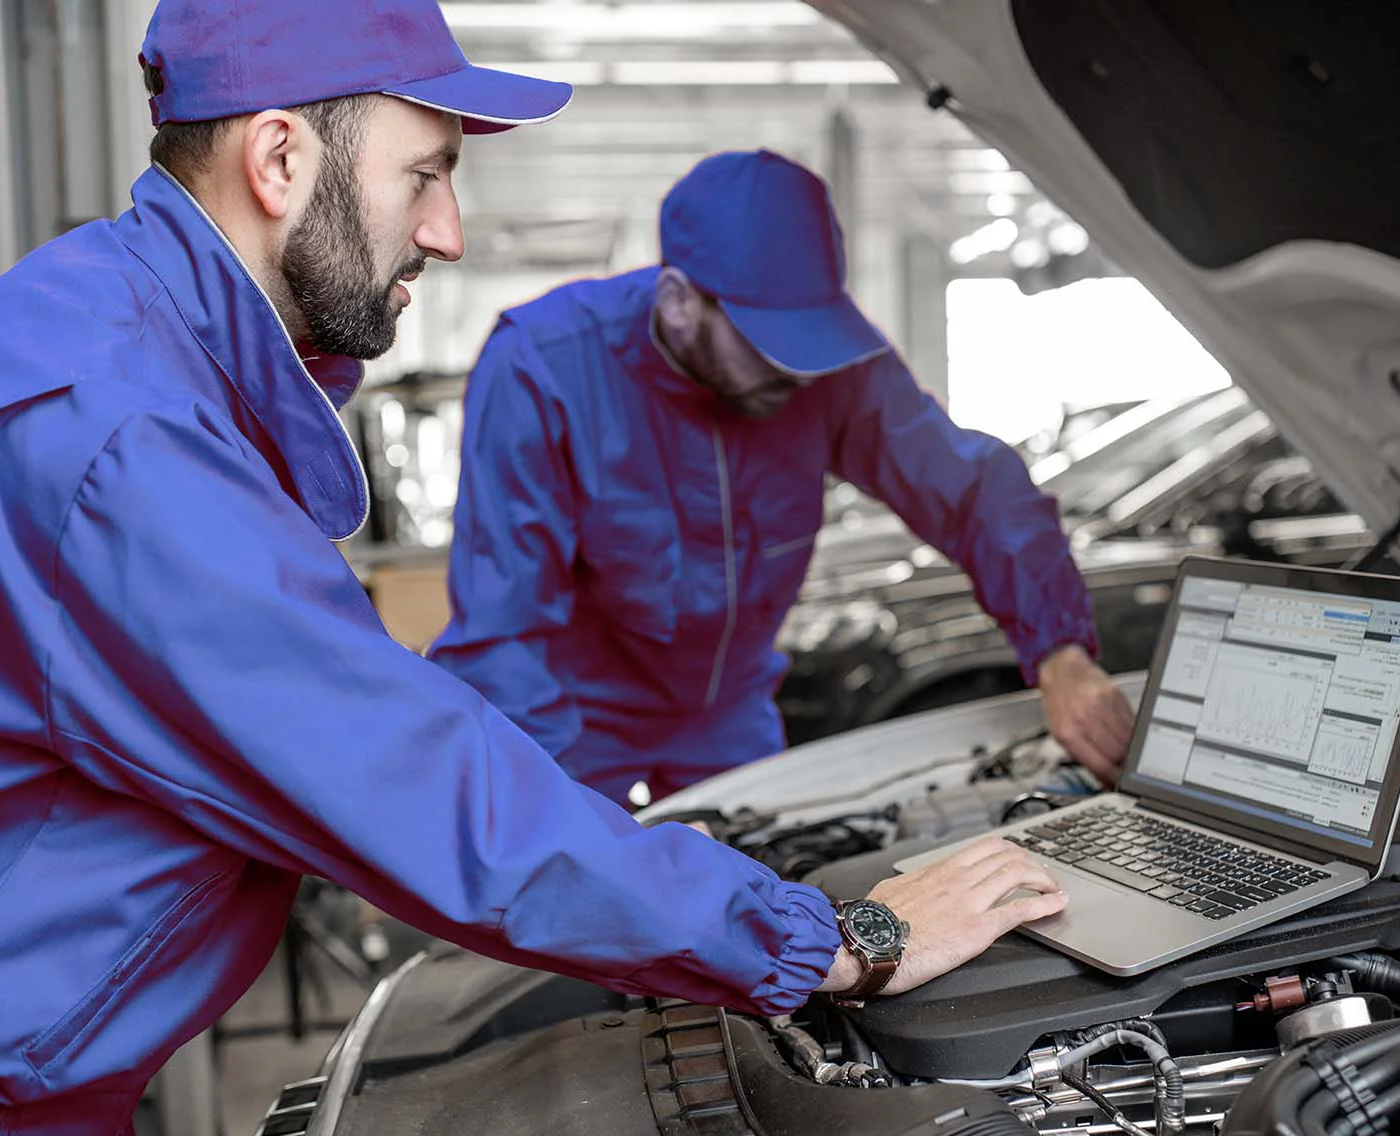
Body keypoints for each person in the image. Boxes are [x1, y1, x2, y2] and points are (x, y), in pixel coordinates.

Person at [0, 3, 1070, 1136]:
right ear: (277, 159)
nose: (448, 232)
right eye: (426, 173)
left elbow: (966, 481)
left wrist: (1066, 648)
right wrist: (834, 938)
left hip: (31, 1110)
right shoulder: (115, 430)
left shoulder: (124, 346)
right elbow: (404, 769)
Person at [428, 149, 1138, 807]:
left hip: (730, 713)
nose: (798, 371)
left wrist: (1060, 650)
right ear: (680, 302)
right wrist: (554, 818)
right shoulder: (544, 368)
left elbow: (971, 488)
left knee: (769, 892)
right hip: (573, 717)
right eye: (771, 345)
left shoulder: (825, 365)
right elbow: (504, 628)